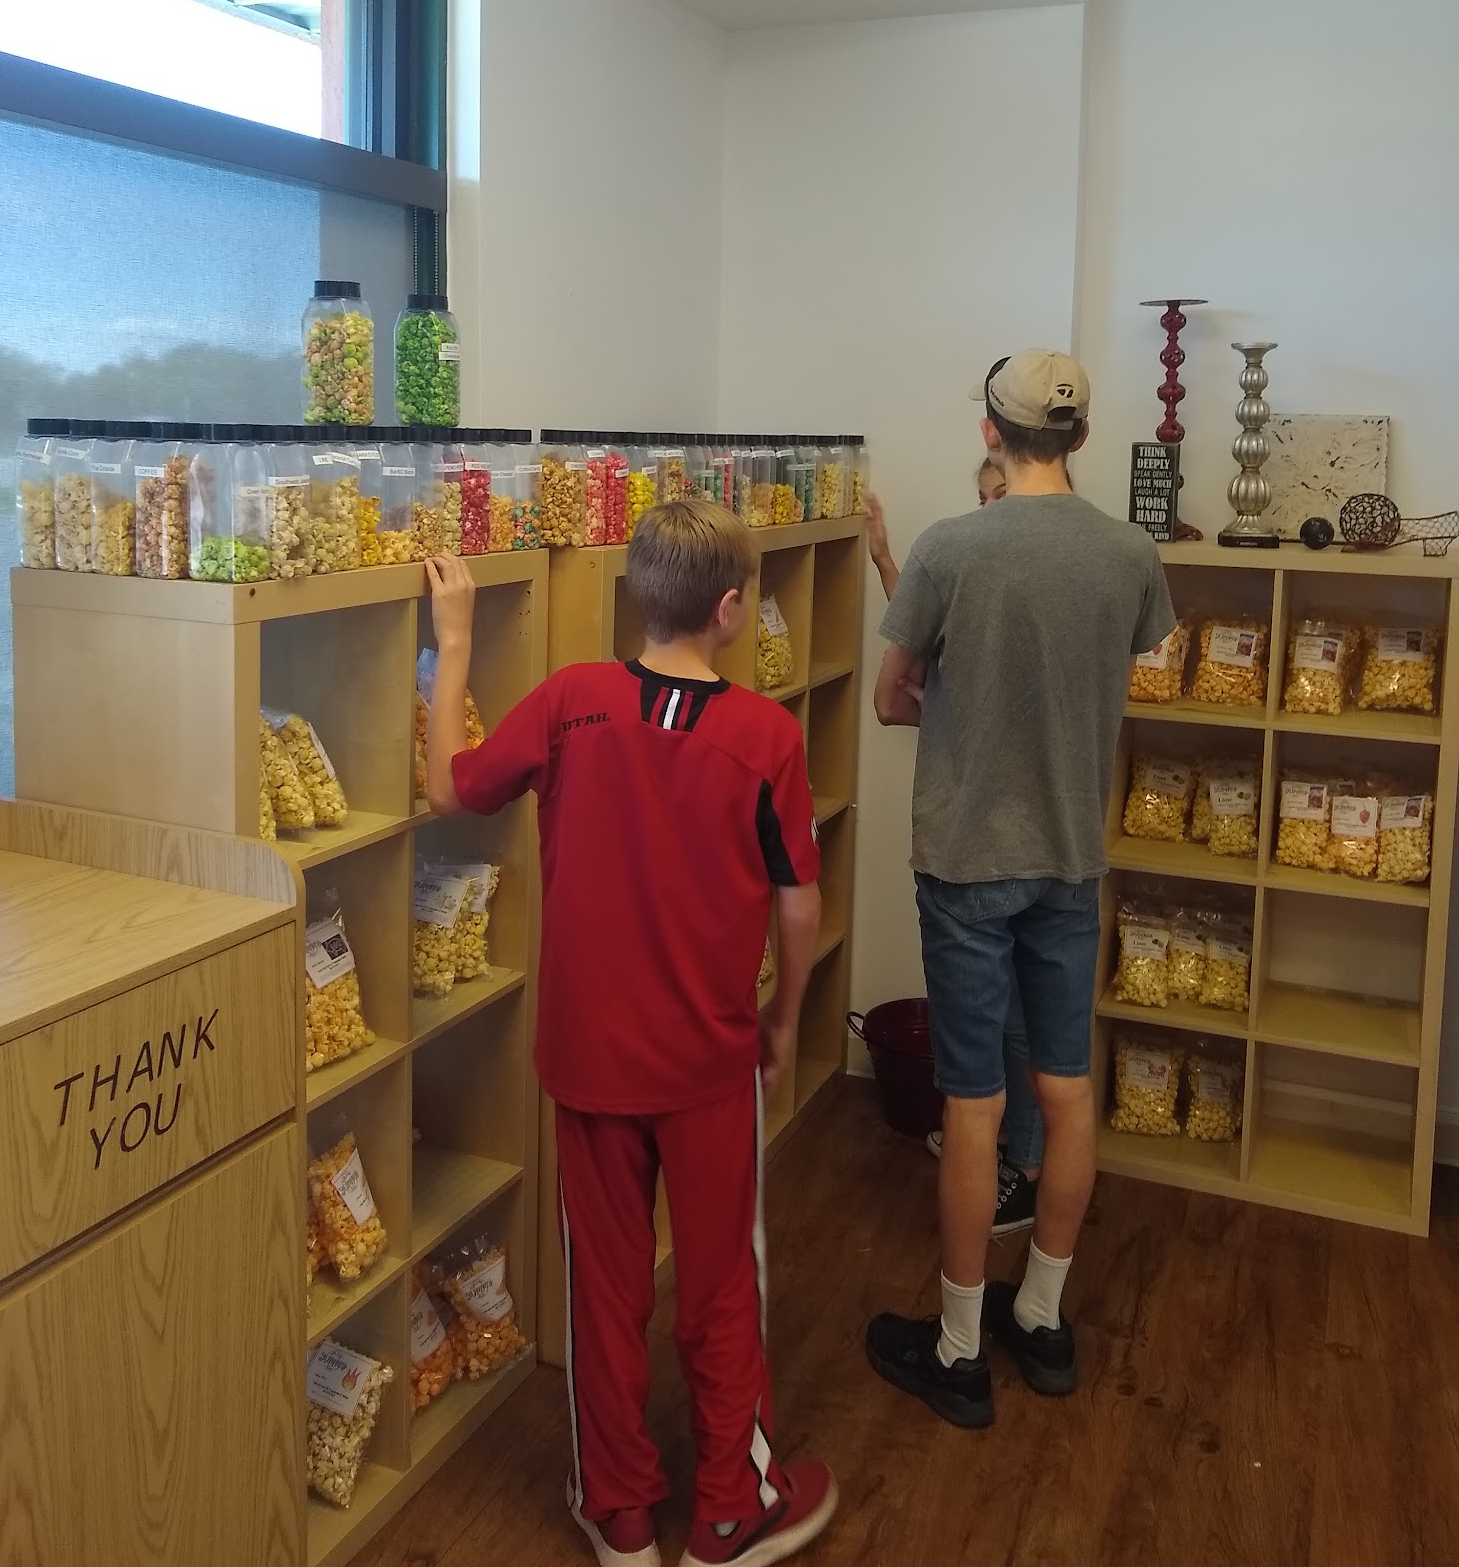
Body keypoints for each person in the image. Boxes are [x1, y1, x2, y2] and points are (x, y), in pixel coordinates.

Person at [425, 501, 837, 1567]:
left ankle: (617, 1511)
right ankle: (731, 1508)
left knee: (603, 1291)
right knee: (719, 1285)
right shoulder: (768, 736)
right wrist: (785, 1015)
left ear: (635, 595)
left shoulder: (572, 701)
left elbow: (450, 786)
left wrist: (456, 641)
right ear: (732, 609)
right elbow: (799, 903)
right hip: (707, 1065)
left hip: (588, 1062)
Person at [864, 351, 1174, 1428]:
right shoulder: (1130, 553)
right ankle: (1039, 1317)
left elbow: (891, 699)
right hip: (1071, 859)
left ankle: (958, 1348)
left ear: (992, 433)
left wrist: (955, 709)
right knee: (1067, 1090)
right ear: (1080, 437)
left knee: (974, 1102)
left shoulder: (951, 547)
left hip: (965, 861)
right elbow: (1122, 674)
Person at [865, 459, 1045, 1241]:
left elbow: (901, 690)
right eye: (982, 498)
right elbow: (924, 636)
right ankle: (1000, 1151)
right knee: (998, 1015)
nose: (989, 510)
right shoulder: (976, 570)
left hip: (1011, 841)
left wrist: (940, 717)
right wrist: (883, 558)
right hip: (998, 832)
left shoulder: (1036, 583)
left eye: (1000, 495)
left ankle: (1023, 1169)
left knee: (1016, 1020)